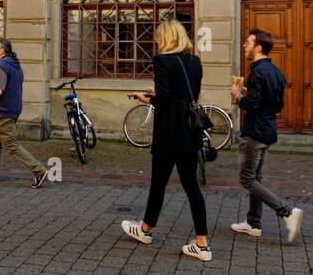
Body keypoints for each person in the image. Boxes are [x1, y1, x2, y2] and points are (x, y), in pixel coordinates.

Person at [121, 20, 211, 261]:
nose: (157, 42)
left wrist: (146, 98)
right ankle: (202, 242)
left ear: (166, 38)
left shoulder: (162, 60)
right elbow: (188, 93)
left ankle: (146, 230)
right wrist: (161, 93)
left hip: (169, 132)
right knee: (192, 187)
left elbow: (164, 99)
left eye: (159, 38)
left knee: (158, 183)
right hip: (189, 131)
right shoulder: (195, 62)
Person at [231, 28, 303, 243]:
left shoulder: (258, 72)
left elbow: (252, 104)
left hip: (255, 131)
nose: (245, 46)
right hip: (268, 129)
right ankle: (253, 223)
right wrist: (247, 92)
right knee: (257, 177)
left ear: (258, 47)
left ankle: (287, 212)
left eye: (248, 43)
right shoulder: (276, 72)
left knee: (247, 179)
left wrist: (238, 96)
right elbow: (275, 103)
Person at [0, 38, 47, 188]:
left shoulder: (2, 67)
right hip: (12, 109)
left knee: (12, 145)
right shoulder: (15, 65)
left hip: (4, 112)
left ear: (2, 51)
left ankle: (39, 170)